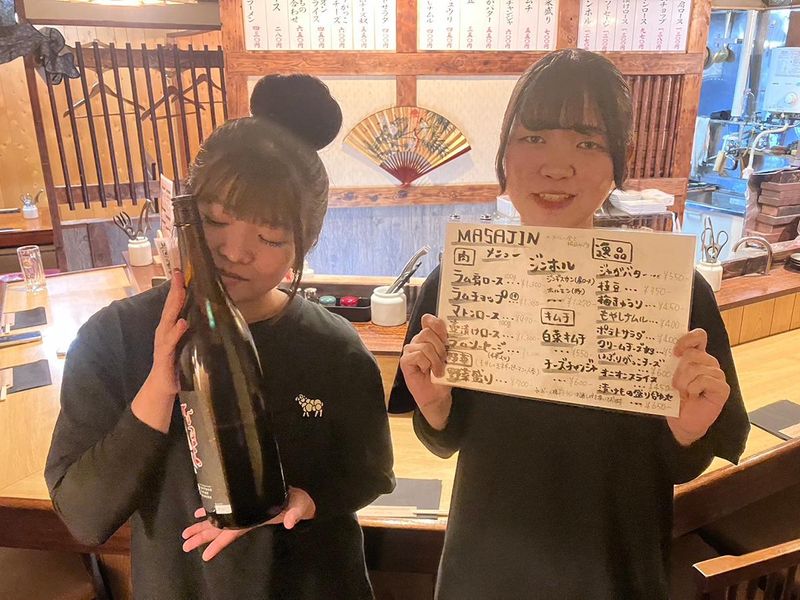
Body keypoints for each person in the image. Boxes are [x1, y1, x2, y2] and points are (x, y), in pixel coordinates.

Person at [389, 49, 749, 600]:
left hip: (614, 570)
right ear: (505, 155)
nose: (557, 167)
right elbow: (443, 441)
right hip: (486, 571)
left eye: (588, 143)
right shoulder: (461, 278)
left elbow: (683, 464)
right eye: (533, 138)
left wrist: (687, 431)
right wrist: (435, 407)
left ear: (617, 166)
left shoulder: (673, 290)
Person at [46, 74, 395, 600]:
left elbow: (371, 473)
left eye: (270, 237)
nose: (235, 252)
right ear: (185, 214)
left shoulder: (334, 347)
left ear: (303, 245)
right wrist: (159, 388)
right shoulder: (116, 337)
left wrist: (308, 498)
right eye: (214, 221)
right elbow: (83, 516)